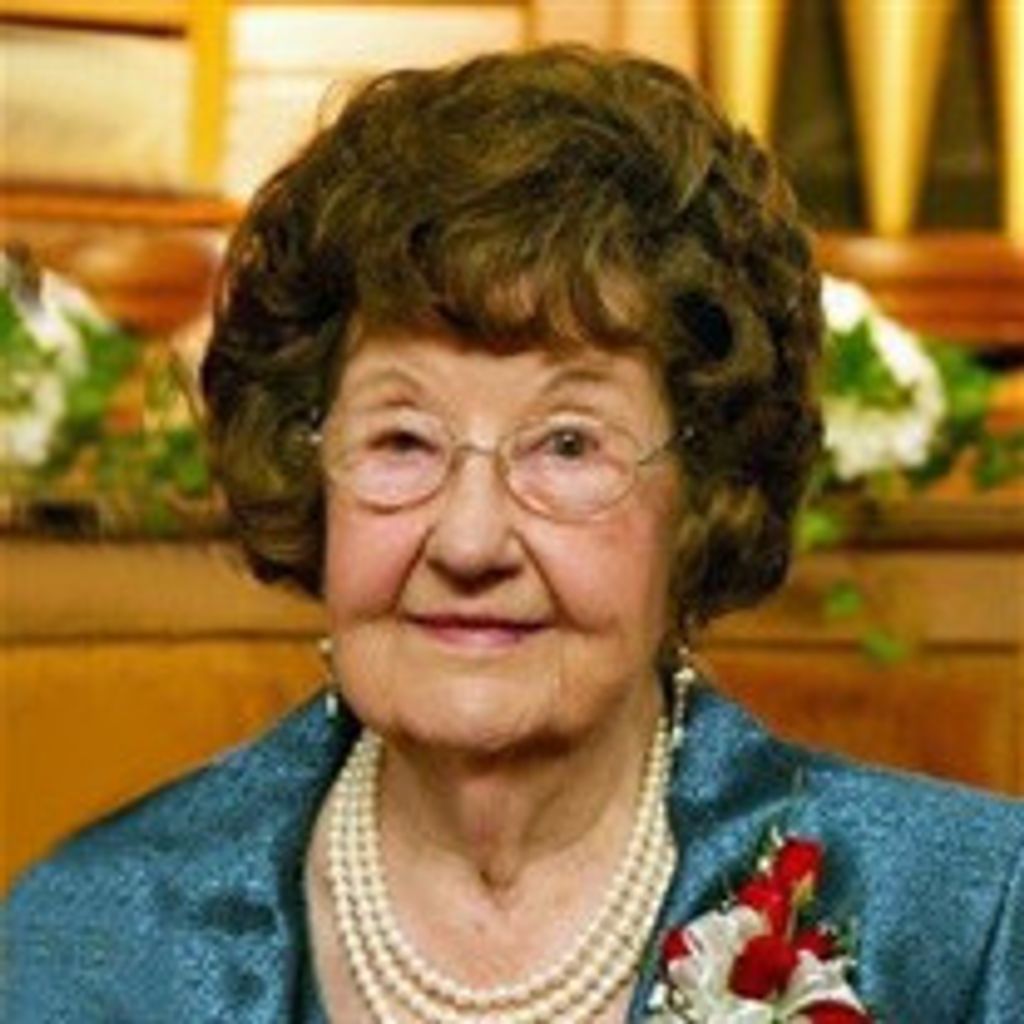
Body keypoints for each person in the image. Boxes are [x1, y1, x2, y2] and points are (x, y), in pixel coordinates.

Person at [5, 46, 1022, 1024]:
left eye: (567, 445)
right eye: (402, 439)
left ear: (702, 488)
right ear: (308, 469)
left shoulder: (966, 922)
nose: (470, 540)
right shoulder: (92, 938)